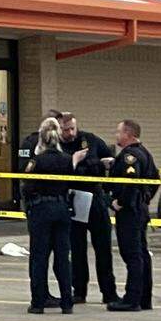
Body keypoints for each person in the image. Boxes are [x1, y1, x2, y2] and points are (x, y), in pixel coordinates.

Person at [58, 113, 119, 306]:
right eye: (66, 129)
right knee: (77, 248)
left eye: (72, 128)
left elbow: (111, 162)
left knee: (103, 248)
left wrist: (109, 196)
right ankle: (79, 291)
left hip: (96, 198)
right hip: (74, 199)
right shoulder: (58, 147)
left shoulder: (90, 140)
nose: (70, 133)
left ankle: (109, 292)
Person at [23, 117, 75, 315]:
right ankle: (67, 302)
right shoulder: (66, 160)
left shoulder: (37, 161)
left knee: (39, 258)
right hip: (62, 210)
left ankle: (38, 303)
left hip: (41, 210)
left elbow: (27, 186)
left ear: (41, 139)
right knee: (63, 258)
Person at [106, 119, 159, 312]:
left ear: (129, 134)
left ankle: (132, 298)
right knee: (141, 253)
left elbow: (130, 182)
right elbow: (156, 179)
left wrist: (120, 202)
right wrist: (146, 199)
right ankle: (144, 298)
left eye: (119, 132)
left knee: (132, 254)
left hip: (130, 212)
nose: (116, 135)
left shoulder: (130, 157)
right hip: (139, 209)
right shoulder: (145, 153)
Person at [18, 109, 64, 307]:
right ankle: (40, 294)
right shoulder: (31, 143)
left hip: (43, 204)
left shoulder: (47, 147)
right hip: (37, 203)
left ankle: (43, 294)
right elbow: (24, 172)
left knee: (46, 253)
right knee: (40, 254)